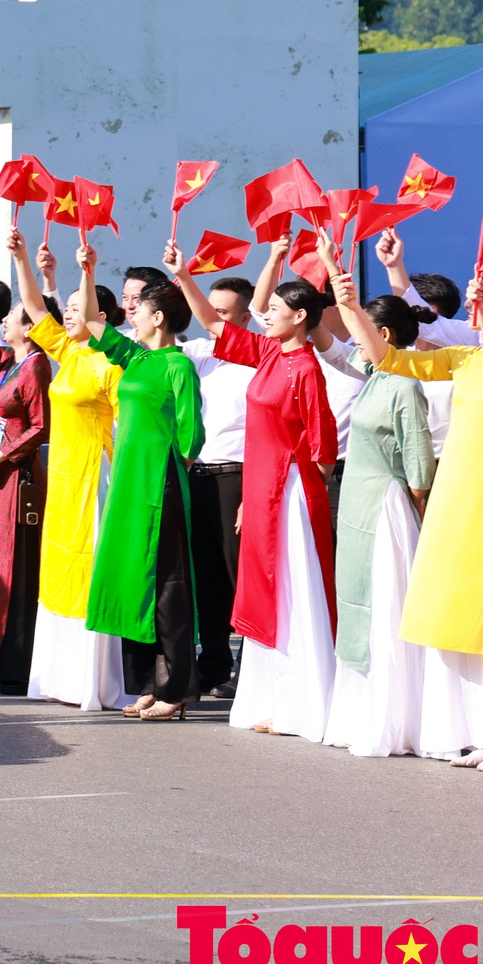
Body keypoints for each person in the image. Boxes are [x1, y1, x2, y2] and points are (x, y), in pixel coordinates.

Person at [337, 265, 483, 771]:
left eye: (481, 295)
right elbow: (391, 361)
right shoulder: (466, 358)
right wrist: (351, 307)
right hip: (462, 499)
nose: (471, 305)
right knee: (467, 617)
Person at [170, 236, 340, 742]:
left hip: (288, 496)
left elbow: (323, 446)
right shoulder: (268, 354)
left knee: (291, 591)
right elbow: (213, 324)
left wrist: (292, 498)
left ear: (302, 317)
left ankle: (301, 701)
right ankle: (269, 697)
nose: (266, 316)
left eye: (277, 311)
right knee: (263, 591)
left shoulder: (307, 368)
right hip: (262, 492)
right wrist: (184, 276)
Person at [10, 226, 130, 711]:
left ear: (99, 318)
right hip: (60, 479)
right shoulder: (67, 351)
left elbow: (123, 433)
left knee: (88, 572)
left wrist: (89, 271)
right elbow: (36, 308)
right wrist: (20, 259)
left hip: (94, 480)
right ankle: (57, 678)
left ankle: (92, 682)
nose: (69, 315)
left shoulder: (111, 364)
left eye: (79, 310)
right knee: (59, 571)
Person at [318, 290, 435, 758]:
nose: (355, 340)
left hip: (386, 510)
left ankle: (394, 718)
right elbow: (334, 345)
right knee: (355, 601)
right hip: (357, 506)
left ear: (382, 335)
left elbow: (419, 460)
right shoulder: (375, 375)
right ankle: (358, 715)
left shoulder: (405, 385)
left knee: (382, 608)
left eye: (363, 329)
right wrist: (333, 277)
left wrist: (419, 511)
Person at [87, 263, 206, 721]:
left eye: (140, 310)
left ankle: (175, 688)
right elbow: (96, 323)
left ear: (160, 318)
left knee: (169, 587)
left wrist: (164, 470)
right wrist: (87, 268)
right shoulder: (136, 359)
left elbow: (191, 435)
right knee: (131, 579)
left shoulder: (178, 365)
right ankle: (146, 684)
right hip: (129, 485)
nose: (131, 314)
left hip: (161, 483)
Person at [0, 298, 51, 694]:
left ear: (30, 326)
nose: (3, 320)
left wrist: (1, 456)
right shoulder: (4, 361)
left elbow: (39, 427)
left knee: (16, 569)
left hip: (16, 477)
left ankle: (17, 665)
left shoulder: (36, 365)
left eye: (12, 316)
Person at [185, 273, 258, 700]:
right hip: (198, 475)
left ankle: (249, 663)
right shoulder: (195, 354)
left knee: (239, 579)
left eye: (223, 312)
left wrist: (251, 494)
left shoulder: (258, 357)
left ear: (247, 317)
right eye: (208, 308)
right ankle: (213, 662)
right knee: (207, 579)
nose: (211, 317)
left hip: (238, 477)